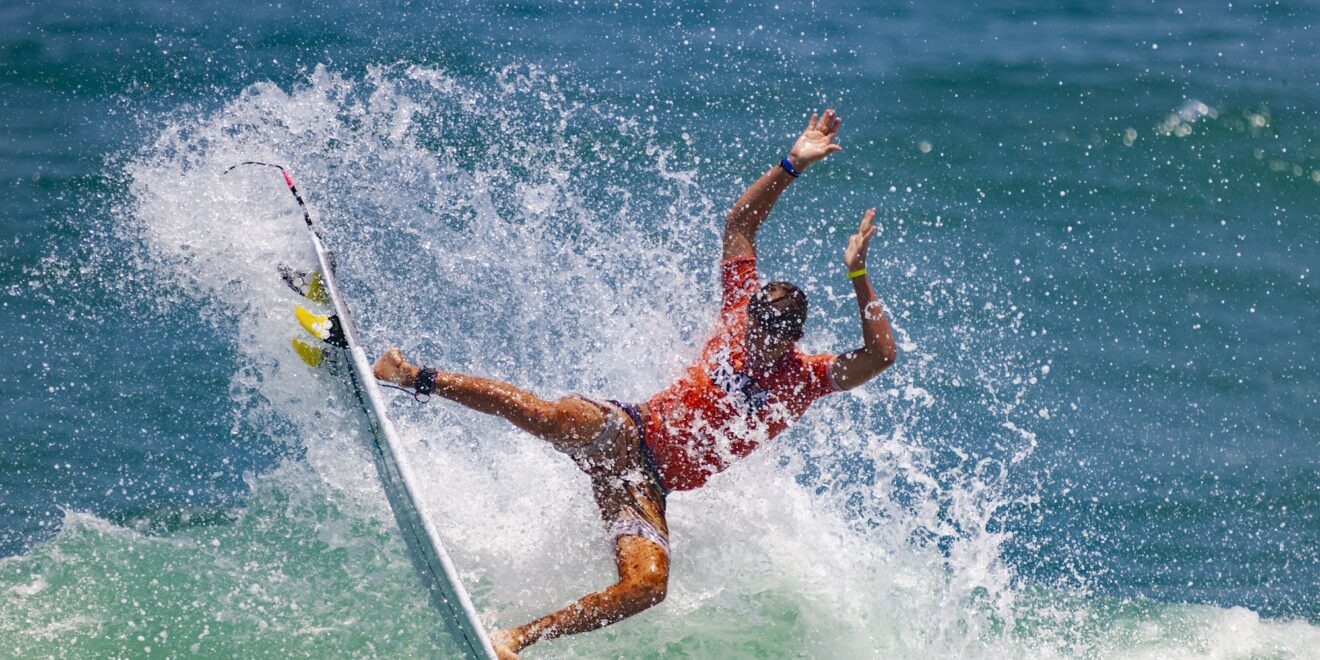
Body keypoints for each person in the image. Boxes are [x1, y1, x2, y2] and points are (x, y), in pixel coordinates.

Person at [373, 109, 897, 659]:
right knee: (557, 417)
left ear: (793, 337)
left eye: (771, 335)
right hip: (623, 431)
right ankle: (411, 375)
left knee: (648, 588)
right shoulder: (741, 309)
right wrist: (792, 163)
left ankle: (516, 640)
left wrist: (858, 276)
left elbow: (880, 354)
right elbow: (740, 224)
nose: (756, 339)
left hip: (646, 489)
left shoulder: (806, 379)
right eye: (755, 328)